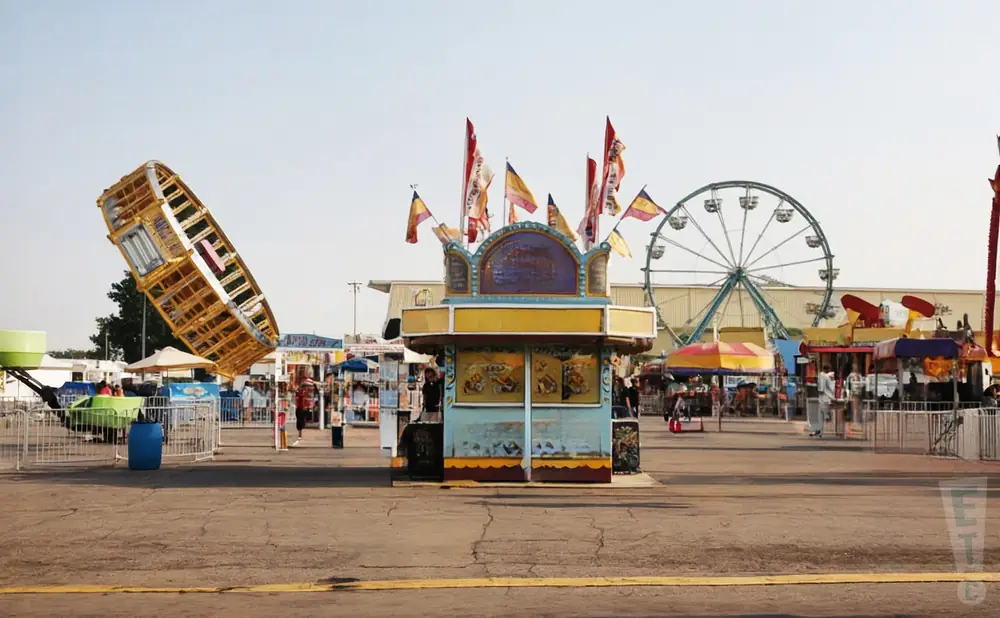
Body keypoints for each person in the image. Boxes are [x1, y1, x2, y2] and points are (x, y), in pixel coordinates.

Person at [812, 364, 835, 437]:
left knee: (821, 415)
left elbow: (821, 388)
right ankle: (820, 430)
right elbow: (823, 388)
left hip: (823, 398)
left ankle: (820, 430)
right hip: (827, 397)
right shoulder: (826, 376)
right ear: (827, 369)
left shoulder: (822, 376)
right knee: (823, 414)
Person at [293, 376, 315, 446]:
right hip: (300, 408)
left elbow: (306, 399)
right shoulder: (301, 391)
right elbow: (300, 398)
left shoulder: (306, 391)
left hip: (303, 408)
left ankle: (300, 435)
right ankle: (299, 435)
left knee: (301, 422)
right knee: (300, 422)